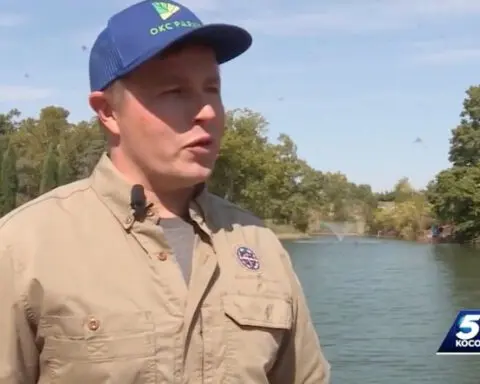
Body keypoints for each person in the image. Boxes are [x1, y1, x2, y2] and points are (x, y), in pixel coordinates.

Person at [0, 1, 331, 383]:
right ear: (107, 111)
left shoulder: (260, 245)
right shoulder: (23, 248)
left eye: (213, 89)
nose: (207, 111)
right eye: (175, 91)